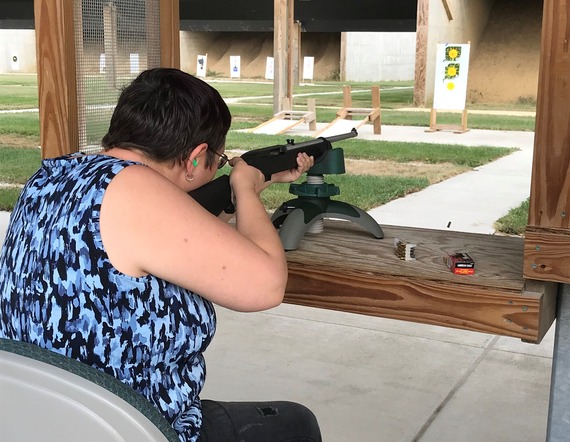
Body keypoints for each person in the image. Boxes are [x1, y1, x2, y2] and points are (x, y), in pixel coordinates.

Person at [0, 68, 321, 442]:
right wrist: (246, 188)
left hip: (40, 415)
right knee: (295, 423)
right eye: (217, 158)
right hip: (130, 424)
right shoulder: (136, 190)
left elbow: (172, 235)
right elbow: (266, 286)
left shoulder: (53, 176)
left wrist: (238, 195)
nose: (218, 164)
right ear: (196, 156)